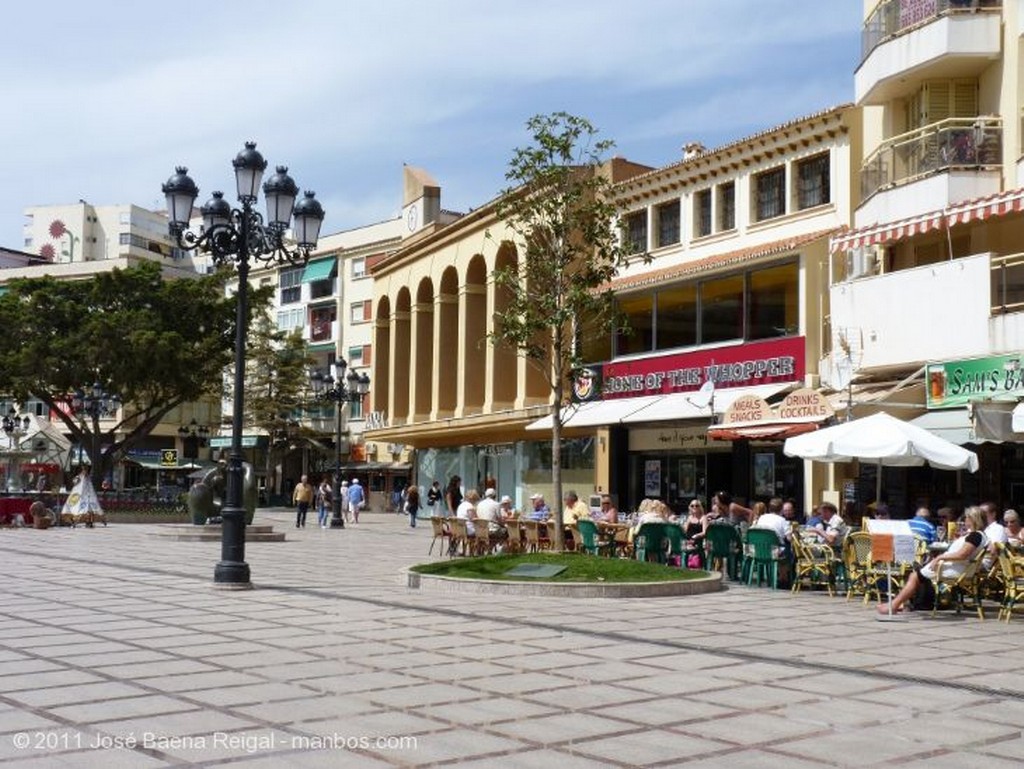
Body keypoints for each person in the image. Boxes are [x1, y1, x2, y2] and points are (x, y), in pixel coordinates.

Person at [879, 506, 986, 615]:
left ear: (973, 519)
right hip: (955, 567)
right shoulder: (977, 535)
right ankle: (900, 603)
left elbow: (962, 555)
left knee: (914, 576)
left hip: (953, 569)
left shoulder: (975, 536)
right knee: (915, 574)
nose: (965, 520)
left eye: (967, 518)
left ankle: (895, 605)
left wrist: (939, 558)